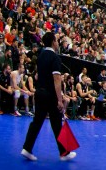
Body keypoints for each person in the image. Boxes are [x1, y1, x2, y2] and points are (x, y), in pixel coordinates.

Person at [21, 32, 76, 162]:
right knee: (56, 123)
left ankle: (27, 148)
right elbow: (57, 80)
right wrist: (59, 99)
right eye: (56, 40)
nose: (57, 43)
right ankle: (64, 152)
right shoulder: (55, 58)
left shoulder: (40, 56)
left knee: (37, 122)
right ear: (53, 42)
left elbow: (37, 76)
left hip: (39, 92)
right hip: (50, 95)